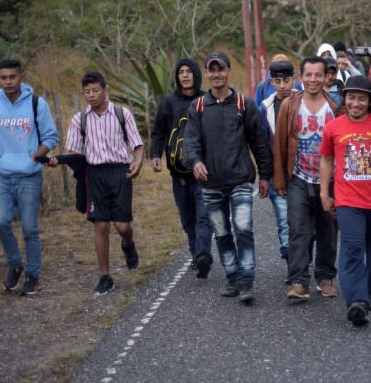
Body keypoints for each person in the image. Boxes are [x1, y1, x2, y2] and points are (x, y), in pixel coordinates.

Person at [182, 51, 273, 303]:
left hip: (240, 179)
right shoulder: (198, 106)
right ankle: (232, 276)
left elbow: (259, 142)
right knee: (221, 233)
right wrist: (196, 161)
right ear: (207, 74)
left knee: (243, 229)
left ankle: (246, 280)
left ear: (229, 71)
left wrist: (265, 175)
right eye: (212, 70)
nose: (216, 74)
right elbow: (190, 142)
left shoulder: (245, 105)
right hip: (210, 183)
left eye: (220, 69)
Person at [319, 76, 371, 326]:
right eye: (351, 98)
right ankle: (357, 301)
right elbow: (326, 160)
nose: (356, 103)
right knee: (353, 248)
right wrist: (325, 192)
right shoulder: (334, 127)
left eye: (362, 98)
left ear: (370, 101)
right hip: (348, 201)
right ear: (344, 99)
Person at [55, 71, 144, 296]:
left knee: (122, 226)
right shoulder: (79, 120)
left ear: (106, 90)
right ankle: (105, 276)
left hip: (120, 172)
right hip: (95, 175)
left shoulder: (122, 114)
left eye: (96, 90)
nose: (91, 95)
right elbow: (73, 151)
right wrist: (59, 160)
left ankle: (127, 243)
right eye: (87, 92)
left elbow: (137, 144)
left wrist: (138, 162)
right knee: (101, 225)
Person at [0, 59, 59, 295]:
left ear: (21, 76)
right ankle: (15, 265)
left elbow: (50, 136)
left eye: (12, 77)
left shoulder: (36, 103)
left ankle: (33, 276)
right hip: (3, 175)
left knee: (29, 229)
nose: (8, 82)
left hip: (30, 176)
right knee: (0, 222)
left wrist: (37, 155)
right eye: (3, 78)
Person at [273, 56, 341, 301]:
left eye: (318, 75)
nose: (313, 80)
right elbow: (279, 143)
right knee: (298, 229)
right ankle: (299, 281)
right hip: (298, 177)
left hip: (329, 180)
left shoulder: (334, 107)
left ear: (326, 77)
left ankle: (325, 277)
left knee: (328, 230)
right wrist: (279, 180)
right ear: (300, 78)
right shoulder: (290, 106)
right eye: (308, 75)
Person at [149, 58, 214, 278]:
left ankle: (203, 255)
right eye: (181, 72)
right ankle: (196, 254)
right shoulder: (169, 102)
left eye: (189, 71)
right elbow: (158, 131)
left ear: (196, 74)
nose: (185, 75)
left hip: (203, 171)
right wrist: (155, 154)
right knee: (188, 218)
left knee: (204, 216)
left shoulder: (207, 100)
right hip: (178, 173)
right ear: (177, 77)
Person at [260, 59, 299, 267]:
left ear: (294, 79)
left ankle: (301, 259)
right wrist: (265, 176)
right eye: (277, 81)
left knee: (303, 224)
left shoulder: (304, 102)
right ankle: (291, 265)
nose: (282, 85)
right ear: (271, 82)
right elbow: (262, 146)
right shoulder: (265, 108)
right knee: (284, 222)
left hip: (302, 174)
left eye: (286, 80)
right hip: (277, 174)